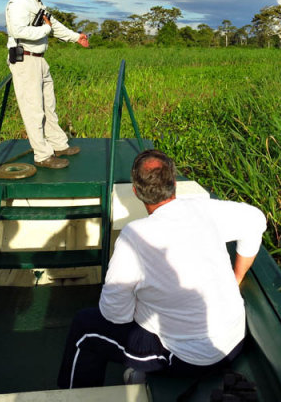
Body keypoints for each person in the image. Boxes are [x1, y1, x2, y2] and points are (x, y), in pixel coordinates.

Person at [58, 149, 267, 389]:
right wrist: (236, 276)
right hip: (234, 342)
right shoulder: (204, 209)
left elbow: (115, 314)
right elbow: (256, 220)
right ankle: (143, 373)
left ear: (136, 192)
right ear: (174, 183)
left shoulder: (134, 237)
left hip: (187, 358)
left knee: (85, 327)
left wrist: (141, 305)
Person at [6, 0, 90, 170]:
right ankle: (42, 155)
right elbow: (18, 31)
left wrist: (75, 37)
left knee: (48, 106)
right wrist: (45, 30)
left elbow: (54, 25)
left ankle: (58, 144)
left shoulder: (36, 2)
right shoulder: (19, 2)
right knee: (34, 109)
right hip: (25, 59)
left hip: (39, 59)